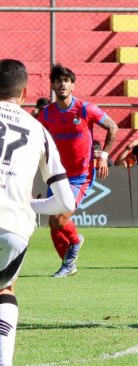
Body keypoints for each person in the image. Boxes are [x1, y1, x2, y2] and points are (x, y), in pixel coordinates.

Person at [0, 59, 75, 366]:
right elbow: (65, 204)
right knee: (5, 288)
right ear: (26, 91)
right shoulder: (39, 130)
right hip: (14, 227)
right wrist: (29, 204)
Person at [38, 64, 119, 277]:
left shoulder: (84, 109)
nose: (62, 84)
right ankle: (68, 265)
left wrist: (103, 156)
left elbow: (113, 127)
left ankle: (75, 242)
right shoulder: (46, 115)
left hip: (79, 177)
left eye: (66, 80)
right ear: (53, 85)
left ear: (73, 85)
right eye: (58, 80)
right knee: (53, 224)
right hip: (55, 175)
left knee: (59, 219)